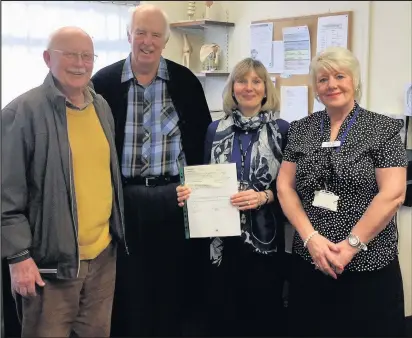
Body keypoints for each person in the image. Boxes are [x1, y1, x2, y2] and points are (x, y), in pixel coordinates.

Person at [91, 4, 212, 337]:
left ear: (165, 40)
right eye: (140, 33)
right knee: (128, 289)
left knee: (174, 284)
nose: (147, 41)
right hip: (123, 199)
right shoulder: (102, 83)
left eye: (155, 34)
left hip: (175, 196)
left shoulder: (185, 82)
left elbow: (202, 144)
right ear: (128, 35)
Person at [1, 26, 126, 337]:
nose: (80, 63)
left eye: (87, 56)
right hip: (50, 267)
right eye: (70, 54)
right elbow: (6, 192)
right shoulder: (22, 112)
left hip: (102, 258)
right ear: (47, 58)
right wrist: (18, 257)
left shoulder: (101, 107)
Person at [277, 46, 408, 337]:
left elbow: (393, 194)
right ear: (316, 88)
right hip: (311, 259)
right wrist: (310, 238)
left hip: (368, 264)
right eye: (323, 79)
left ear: (355, 81)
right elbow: (285, 186)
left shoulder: (382, 128)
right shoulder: (301, 129)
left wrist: (350, 247)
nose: (332, 84)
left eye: (340, 76)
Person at [177, 57, 290, 337]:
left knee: (263, 316)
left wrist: (264, 196)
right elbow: (204, 177)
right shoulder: (215, 130)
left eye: (256, 81)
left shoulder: (283, 130)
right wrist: (189, 192)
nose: (248, 87)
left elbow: (291, 187)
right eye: (241, 80)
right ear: (233, 87)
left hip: (265, 240)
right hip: (222, 240)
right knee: (224, 315)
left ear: (266, 89)